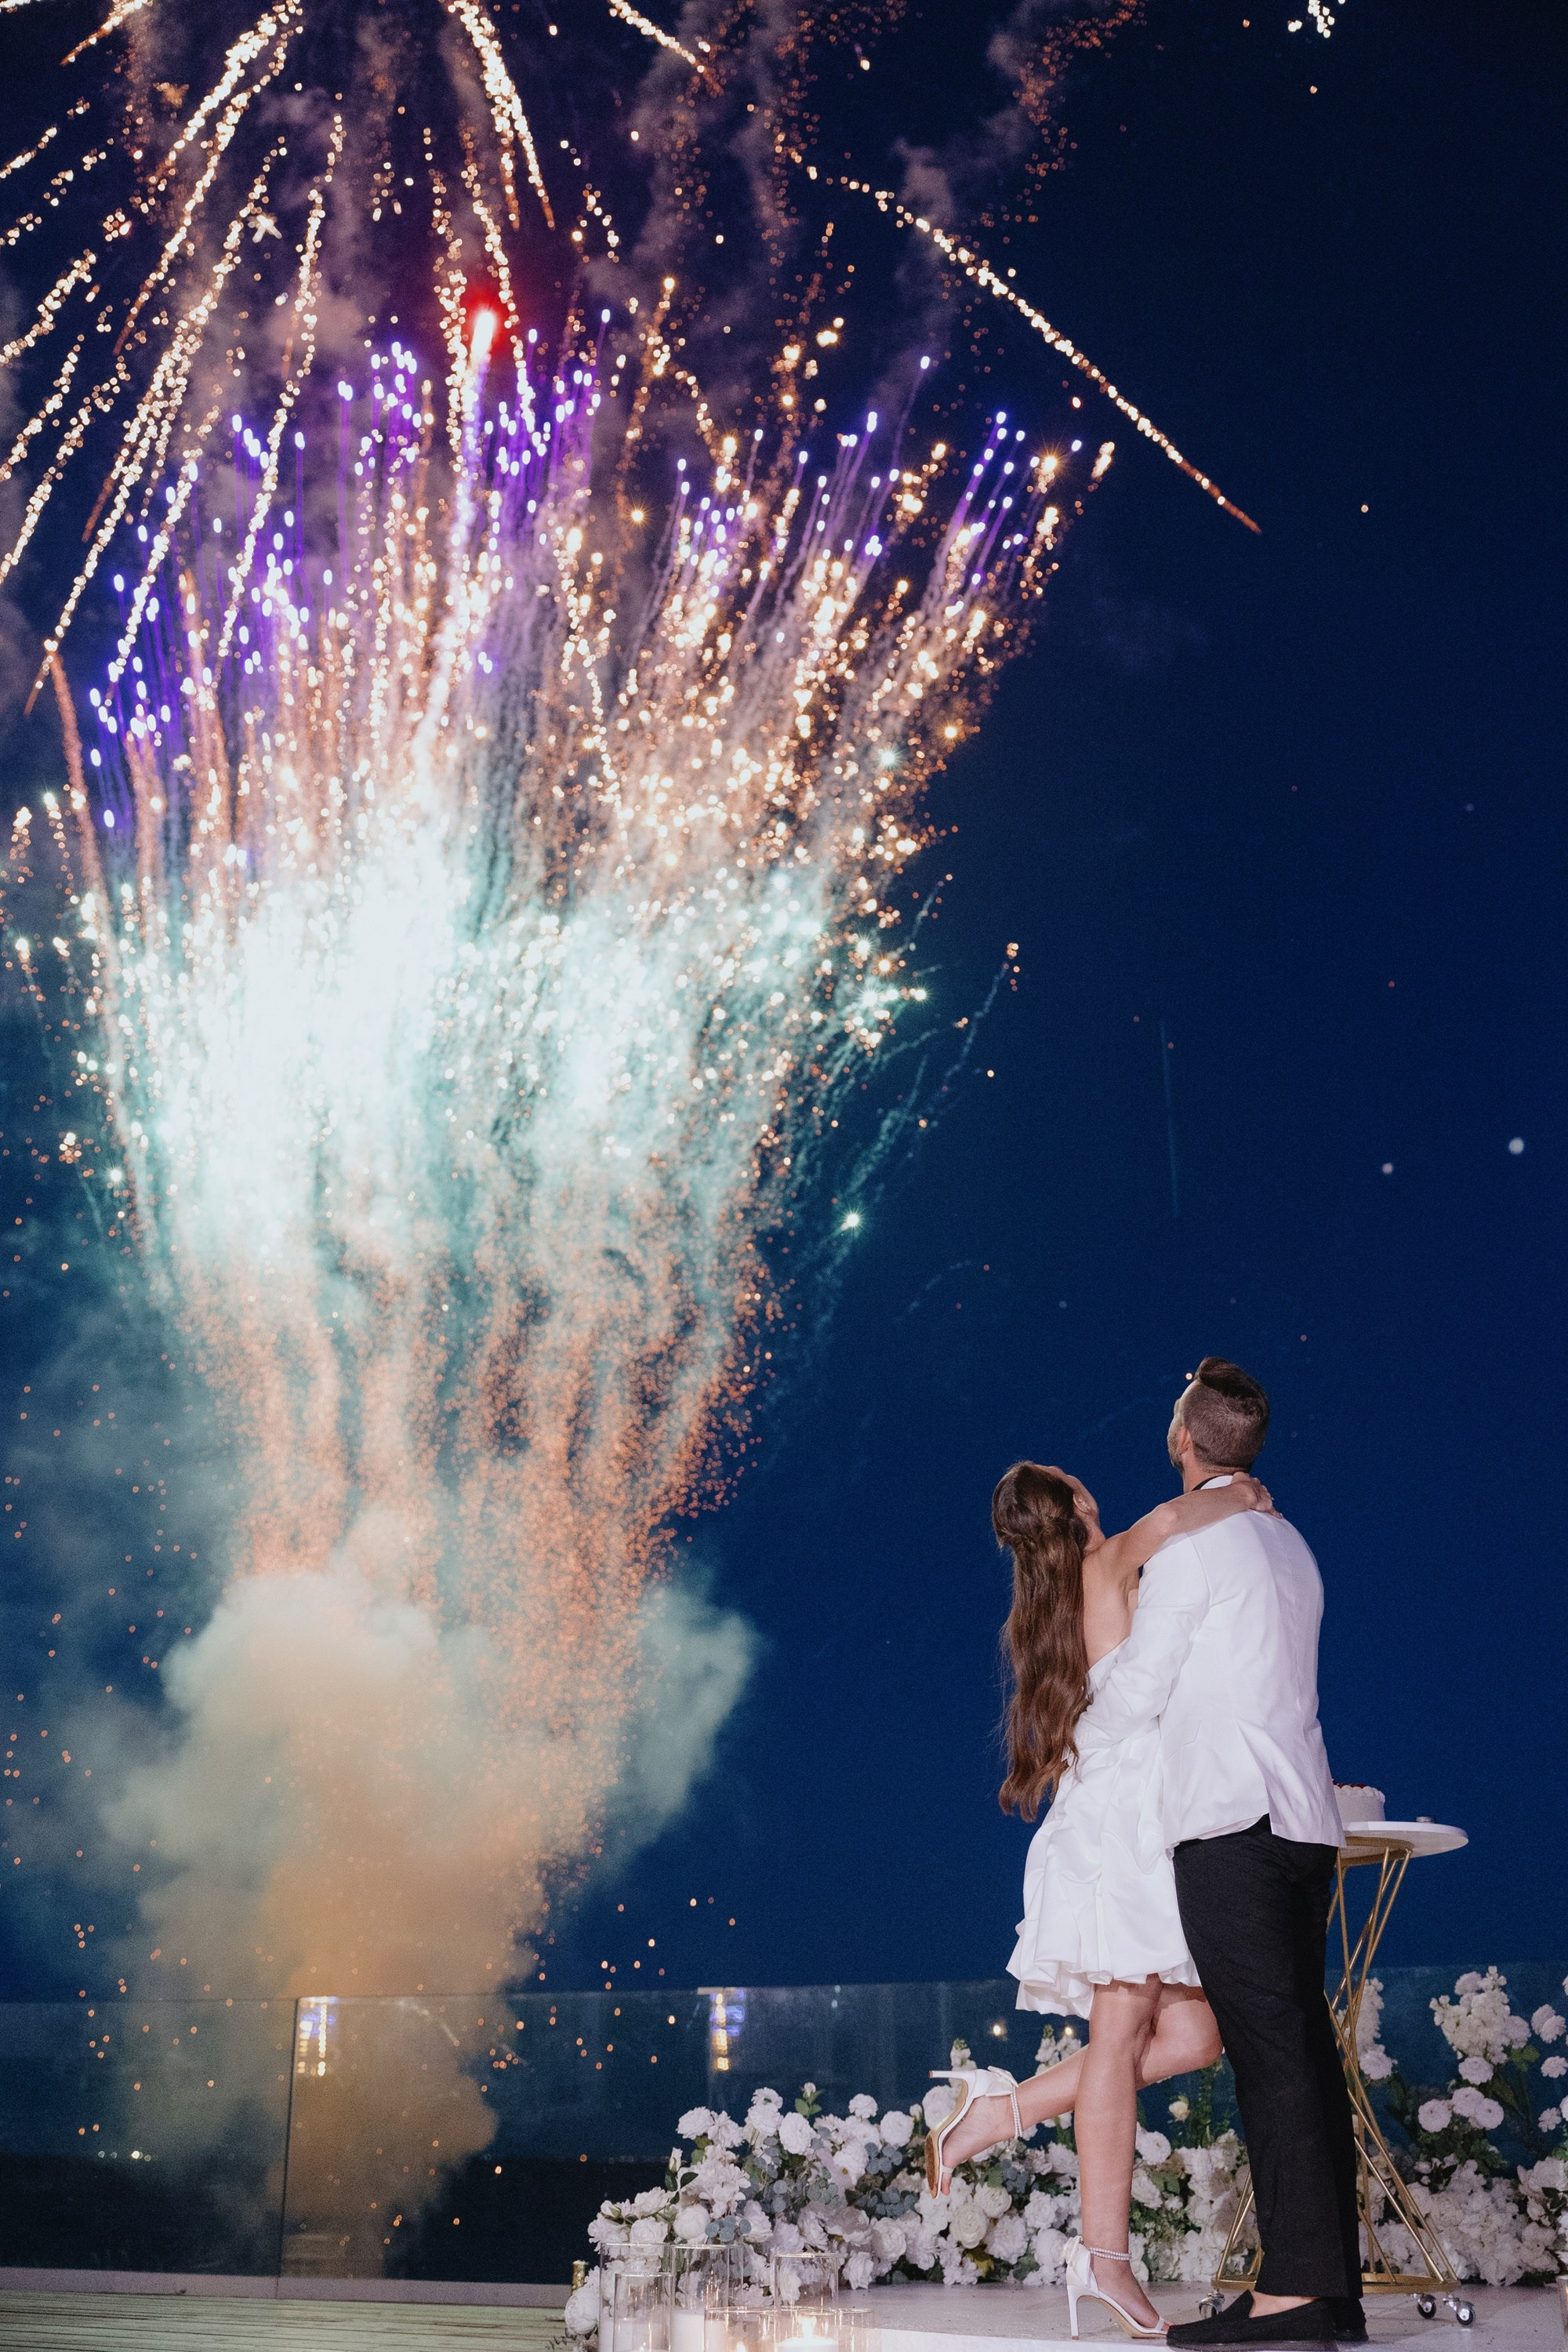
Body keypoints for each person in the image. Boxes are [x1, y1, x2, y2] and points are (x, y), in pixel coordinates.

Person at [925, 1456, 1277, 2339]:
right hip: (1122, 1835)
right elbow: (1174, 1519)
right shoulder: (1110, 1558)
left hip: (1120, 1824)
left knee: (1196, 2032)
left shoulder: (1044, 1606)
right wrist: (1239, 1491)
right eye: (1078, 1483)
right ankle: (1103, 2256)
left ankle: (1000, 2112)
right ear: (1076, 1505)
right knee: (1120, 2036)